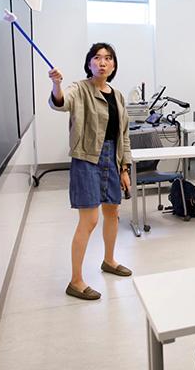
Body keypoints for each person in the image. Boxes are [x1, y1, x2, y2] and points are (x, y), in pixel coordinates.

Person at [49, 43, 133, 301]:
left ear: (114, 65)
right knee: (90, 220)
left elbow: (124, 134)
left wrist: (124, 167)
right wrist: (56, 84)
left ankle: (109, 260)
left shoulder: (117, 95)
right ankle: (75, 281)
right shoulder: (78, 88)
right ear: (89, 64)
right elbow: (61, 103)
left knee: (112, 212)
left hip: (112, 158)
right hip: (87, 158)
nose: (102, 62)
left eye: (108, 58)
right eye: (97, 58)